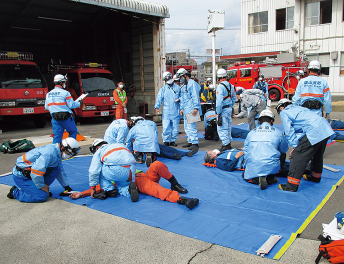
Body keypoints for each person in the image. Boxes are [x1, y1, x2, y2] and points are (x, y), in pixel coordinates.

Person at [70, 160, 199, 209]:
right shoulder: (110, 177)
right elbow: (98, 188)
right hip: (138, 182)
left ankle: (174, 184)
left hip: (145, 175)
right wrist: (81, 194)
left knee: (156, 164)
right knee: (156, 189)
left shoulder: (119, 162)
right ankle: (182, 200)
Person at [276, 99, 334, 192]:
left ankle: (291, 185)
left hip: (314, 130)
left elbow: (289, 132)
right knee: (317, 155)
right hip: (325, 128)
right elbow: (303, 129)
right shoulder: (300, 108)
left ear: (281, 107)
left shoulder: (285, 112)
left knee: (297, 156)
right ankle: (315, 176)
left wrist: (295, 147)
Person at [7, 137, 80, 203]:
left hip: (30, 174)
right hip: (22, 176)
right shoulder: (48, 154)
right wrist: (42, 186)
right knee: (41, 196)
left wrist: (66, 186)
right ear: (63, 148)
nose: (69, 155)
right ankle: (14, 192)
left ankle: (38, 189)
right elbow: (36, 173)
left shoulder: (57, 152)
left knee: (57, 168)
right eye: (69, 153)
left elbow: (60, 170)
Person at [243, 109, 289, 190]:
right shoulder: (278, 132)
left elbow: (246, 151)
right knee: (282, 154)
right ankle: (271, 177)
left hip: (253, 164)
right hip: (271, 165)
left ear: (259, 121)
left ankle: (256, 178)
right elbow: (284, 149)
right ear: (271, 120)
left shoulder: (251, 132)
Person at [45, 74, 81, 143]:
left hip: (55, 118)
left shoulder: (48, 94)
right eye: (64, 82)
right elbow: (71, 105)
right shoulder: (65, 93)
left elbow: (47, 107)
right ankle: (71, 148)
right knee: (73, 132)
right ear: (61, 83)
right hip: (66, 117)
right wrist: (79, 103)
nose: (65, 84)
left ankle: (56, 151)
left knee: (57, 136)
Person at [176, 68, 202, 157]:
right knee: (187, 127)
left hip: (192, 109)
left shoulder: (192, 84)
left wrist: (196, 108)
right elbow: (183, 99)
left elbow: (195, 96)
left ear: (185, 75)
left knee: (191, 127)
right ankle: (190, 141)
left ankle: (195, 143)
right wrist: (182, 108)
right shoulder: (183, 85)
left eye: (181, 77)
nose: (180, 79)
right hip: (186, 109)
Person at [154, 72, 181, 146]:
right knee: (166, 127)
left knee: (175, 128)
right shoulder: (163, 89)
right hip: (166, 112)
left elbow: (183, 97)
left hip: (175, 110)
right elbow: (159, 99)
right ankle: (165, 141)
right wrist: (157, 108)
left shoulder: (178, 88)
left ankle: (173, 140)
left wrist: (179, 100)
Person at [215, 68, 237, 152]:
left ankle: (225, 144)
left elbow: (219, 101)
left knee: (222, 128)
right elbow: (234, 97)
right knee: (228, 127)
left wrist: (218, 112)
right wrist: (230, 106)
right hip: (229, 108)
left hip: (223, 110)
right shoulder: (231, 86)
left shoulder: (220, 87)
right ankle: (228, 143)